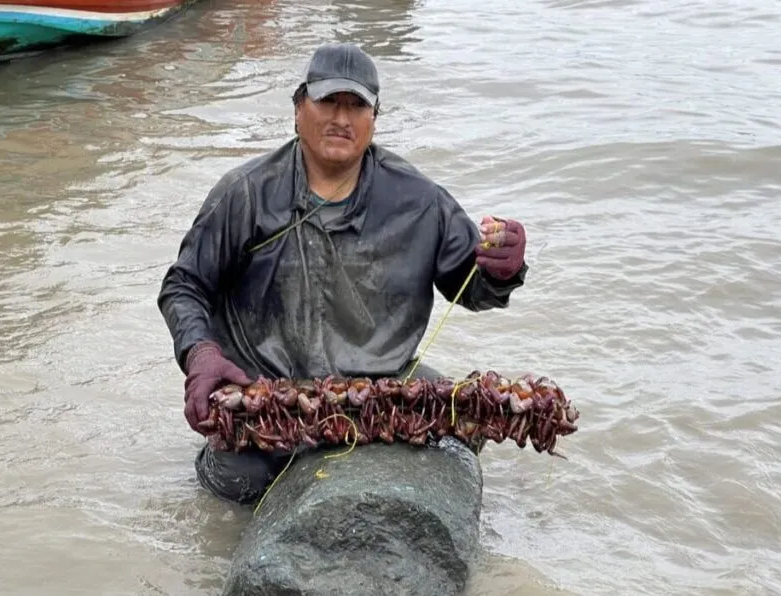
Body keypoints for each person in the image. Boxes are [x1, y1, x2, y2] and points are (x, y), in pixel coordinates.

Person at [158, 42, 530, 505]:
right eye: (328, 101)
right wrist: (200, 354)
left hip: (377, 388)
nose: (341, 117)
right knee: (236, 485)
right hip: (267, 397)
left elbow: (468, 287)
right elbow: (184, 285)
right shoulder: (246, 193)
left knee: (459, 423)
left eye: (356, 105)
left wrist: (503, 267)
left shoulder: (420, 200)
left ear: (375, 117)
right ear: (298, 108)